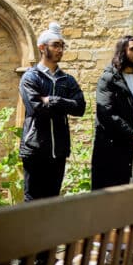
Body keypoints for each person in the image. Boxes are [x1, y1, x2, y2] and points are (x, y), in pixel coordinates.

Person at [19, 22, 86, 201]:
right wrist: (64, 105)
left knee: (52, 203)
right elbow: (36, 108)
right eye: (56, 45)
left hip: (59, 151)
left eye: (62, 46)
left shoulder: (67, 79)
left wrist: (53, 100)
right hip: (35, 150)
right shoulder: (30, 77)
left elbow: (80, 107)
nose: (60, 50)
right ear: (42, 48)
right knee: (33, 202)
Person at [92, 35, 133, 189]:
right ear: (122, 51)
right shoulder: (108, 79)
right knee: (117, 198)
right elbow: (106, 114)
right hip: (117, 149)